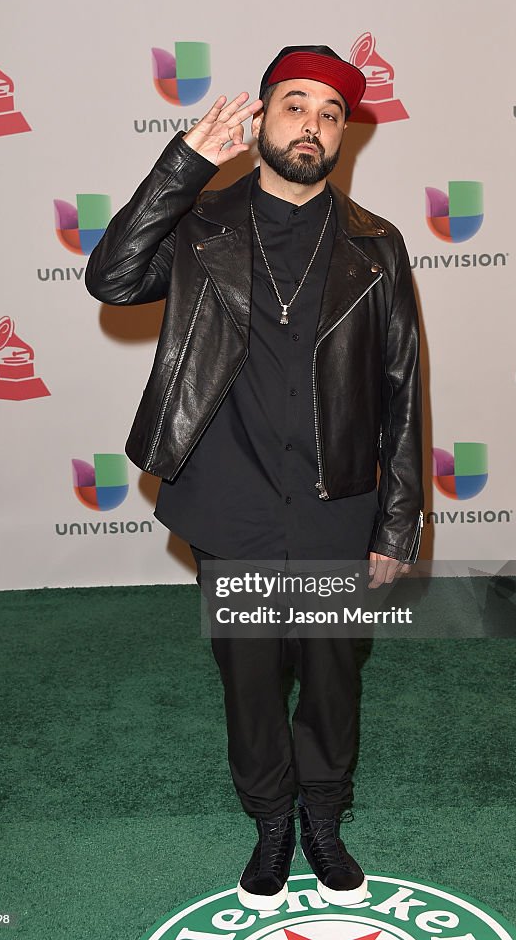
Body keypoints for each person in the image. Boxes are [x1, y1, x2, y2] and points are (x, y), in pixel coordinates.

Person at [85, 45, 423, 911]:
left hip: (336, 503)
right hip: (228, 499)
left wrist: (396, 523)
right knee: (250, 674)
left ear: (341, 136)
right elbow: (113, 276)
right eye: (294, 105)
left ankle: (323, 815)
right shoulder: (199, 227)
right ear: (261, 119)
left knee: (332, 674)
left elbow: (401, 388)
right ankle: (270, 818)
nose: (311, 125)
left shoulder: (375, 245)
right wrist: (183, 162)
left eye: (329, 114)